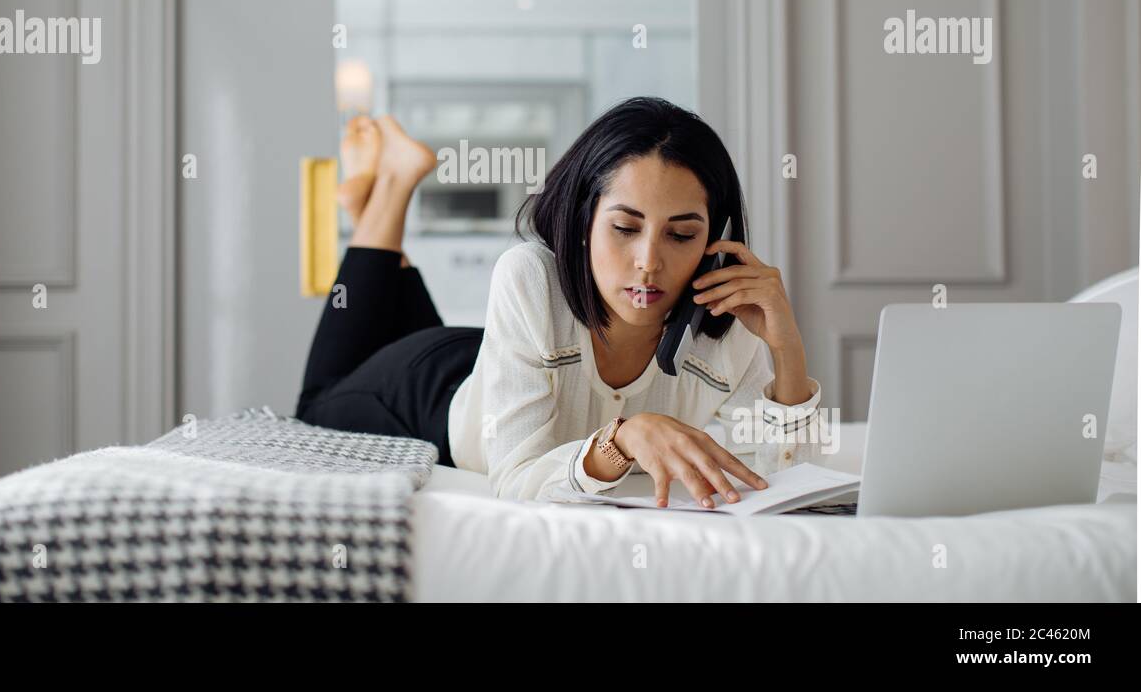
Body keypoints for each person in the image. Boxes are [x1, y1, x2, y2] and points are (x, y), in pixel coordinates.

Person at [296, 97, 826, 506]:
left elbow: (785, 477)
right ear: (582, 223)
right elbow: (516, 478)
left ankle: (370, 208)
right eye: (624, 228)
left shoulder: (726, 316)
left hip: (504, 364)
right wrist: (622, 439)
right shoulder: (529, 276)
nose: (648, 262)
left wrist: (786, 347)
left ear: (715, 239)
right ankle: (392, 187)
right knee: (312, 406)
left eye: (681, 235)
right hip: (429, 390)